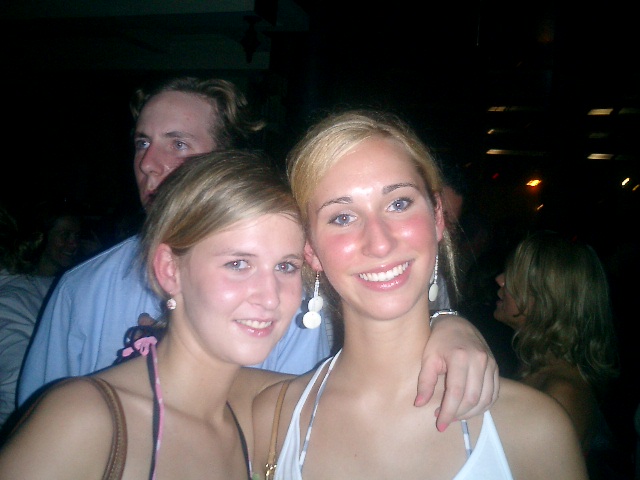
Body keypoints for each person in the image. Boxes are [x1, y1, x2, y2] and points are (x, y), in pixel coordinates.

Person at [18, 76, 500, 428]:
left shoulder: (290, 298)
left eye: (178, 143)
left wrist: (447, 322)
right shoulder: (83, 291)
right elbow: (39, 414)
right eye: (142, 143)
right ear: (168, 270)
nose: (149, 162)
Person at [252, 109, 587, 479]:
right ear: (311, 250)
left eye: (399, 204)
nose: (379, 243)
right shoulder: (270, 419)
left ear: (437, 217)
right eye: (342, 217)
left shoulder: (534, 430)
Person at [0, 151, 309, 477]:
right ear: (170, 270)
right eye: (238, 264)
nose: (270, 297)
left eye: (286, 267)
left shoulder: (260, 413)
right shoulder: (84, 419)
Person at [493, 229, 622, 478]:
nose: (500, 279)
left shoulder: (562, 394)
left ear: (547, 299)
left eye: (516, 276)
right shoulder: (536, 366)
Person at [0, 200, 82, 430]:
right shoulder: (23, 289)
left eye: (77, 236)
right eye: (65, 235)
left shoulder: (71, 286)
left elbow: (18, 391)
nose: (73, 243)